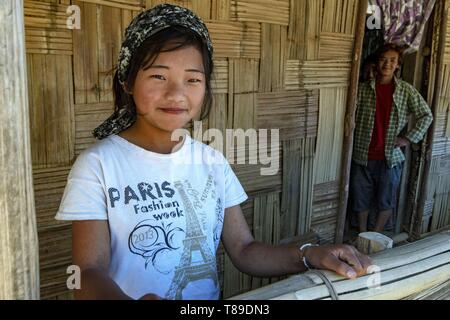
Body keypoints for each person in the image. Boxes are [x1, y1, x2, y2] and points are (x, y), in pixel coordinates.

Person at [56, 4, 371, 300]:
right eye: (158, 75)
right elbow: (86, 271)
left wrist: (308, 255)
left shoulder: (212, 162)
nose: (176, 93)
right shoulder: (98, 166)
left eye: (192, 79)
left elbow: (244, 249)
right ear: (127, 81)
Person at [351, 43, 433, 233]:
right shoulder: (362, 89)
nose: (387, 64)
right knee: (360, 196)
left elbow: (426, 115)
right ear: (376, 63)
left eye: (392, 60)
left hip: (391, 157)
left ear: (398, 65)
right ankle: (363, 234)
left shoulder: (405, 90)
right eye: (383, 59)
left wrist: (408, 139)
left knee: (386, 198)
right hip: (362, 154)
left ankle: (376, 237)